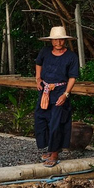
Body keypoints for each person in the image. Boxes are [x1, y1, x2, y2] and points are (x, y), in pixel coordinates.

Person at [34, 26, 80, 167]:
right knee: (41, 119)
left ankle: (54, 153)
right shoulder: (45, 52)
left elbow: (73, 77)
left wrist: (66, 94)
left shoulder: (71, 57)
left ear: (64, 40)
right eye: (55, 40)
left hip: (60, 91)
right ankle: (49, 148)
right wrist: (38, 79)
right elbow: (38, 63)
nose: (58, 42)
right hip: (46, 91)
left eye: (61, 39)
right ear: (51, 41)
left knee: (57, 123)